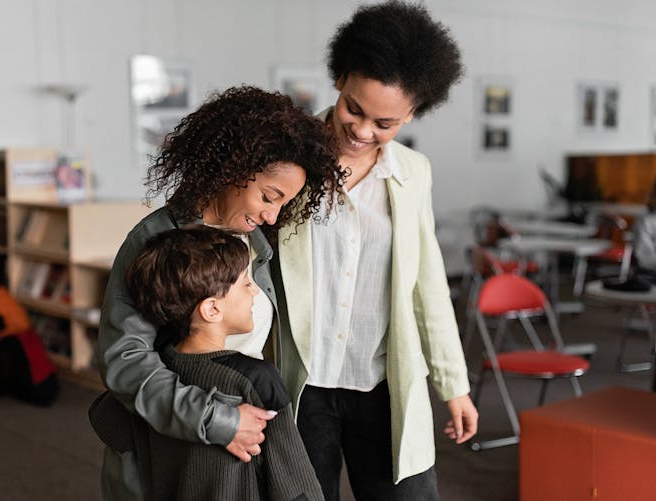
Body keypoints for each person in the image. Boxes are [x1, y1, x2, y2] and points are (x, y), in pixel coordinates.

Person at [89, 85, 342, 500]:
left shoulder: (256, 242)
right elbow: (126, 361)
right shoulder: (155, 240)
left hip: (240, 436)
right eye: (268, 197)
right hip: (173, 442)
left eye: (285, 204)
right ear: (231, 169)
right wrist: (219, 421)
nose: (272, 215)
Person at [270, 2, 479, 500]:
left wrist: (455, 385)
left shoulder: (413, 173)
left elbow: (427, 285)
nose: (363, 132)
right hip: (301, 383)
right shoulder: (286, 159)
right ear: (340, 79)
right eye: (354, 109)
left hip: (384, 383)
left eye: (385, 123)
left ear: (412, 114)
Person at [123, 225, 324, 501]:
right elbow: (294, 482)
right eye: (245, 283)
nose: (254, 291)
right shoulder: (257, 379)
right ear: (212, 309)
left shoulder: (155, 373)